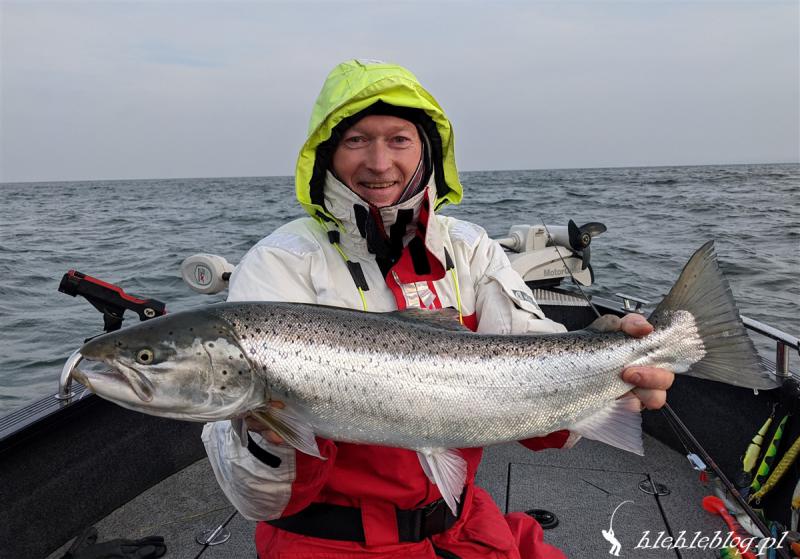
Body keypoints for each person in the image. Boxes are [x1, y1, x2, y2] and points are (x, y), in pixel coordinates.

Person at [202, 59, 674, 559]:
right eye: (356, 140)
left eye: (399, 140)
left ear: (428, 150)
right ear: (327, 155)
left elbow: (542, 405)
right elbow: (260, 499)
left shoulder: (470, 248)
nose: (379, 162)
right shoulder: (279, 262)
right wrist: (268, 436)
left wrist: (612, 380)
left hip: (463, 523)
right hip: (325, 542)